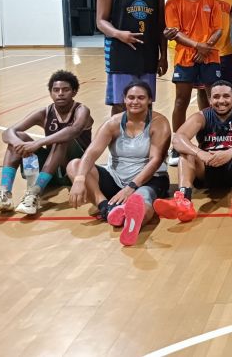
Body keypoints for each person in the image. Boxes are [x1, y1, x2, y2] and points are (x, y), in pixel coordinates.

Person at [67, 81, 171, 246]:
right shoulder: (113, 123)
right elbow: (92, 152)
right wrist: (79, 179)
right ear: (124, 99)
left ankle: (133, 221)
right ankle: (106, 209)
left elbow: (155, 160)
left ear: (150, 100)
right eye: (131, 97)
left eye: (141, 98)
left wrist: (131, 187)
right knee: (74, 165)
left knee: (142, 200)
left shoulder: (159, 123)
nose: (135, 102)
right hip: (115, 179)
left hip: (148, 179)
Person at [153, 80, 232, 221]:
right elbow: (178, 139)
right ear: (210, 99)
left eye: (226, 96)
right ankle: (183, 200)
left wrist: (230, 152)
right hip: (207, 168)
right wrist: (200, 153)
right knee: (186, 153)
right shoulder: (202, 116)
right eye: (216, 97)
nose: (221, 101)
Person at [0, 70, 93, 215]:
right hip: (51, 170)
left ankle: (34, 194)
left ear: (74, 92)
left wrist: (38, 143)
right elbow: (8, 132)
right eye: (56, 90)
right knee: (19, 136)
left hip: (76, 170)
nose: (60, 93)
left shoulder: (81, 110)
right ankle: (5, 193)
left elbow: (73, 130)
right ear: (50, 93)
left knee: (62, 139)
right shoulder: (45, 112)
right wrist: (18, 144)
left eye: (65, 90)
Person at [96, 0, 167, 115]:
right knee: (120, 103)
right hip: (120, 54)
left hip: (148, 55)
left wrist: (163, 56)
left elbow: (160, 26)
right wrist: (118, 33)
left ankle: (145, 141)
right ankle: (117, 142)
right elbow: (100, 21)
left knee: (146, 103)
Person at [165, 0, 222, 164]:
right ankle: (177, 145)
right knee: (181, 101)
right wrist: (199, 46)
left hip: (210, 56)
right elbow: (175, 33)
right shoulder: (173, 4)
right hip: (185, 58)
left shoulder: (211, 2)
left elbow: (218, 29)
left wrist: (205, 47)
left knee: (212, 101)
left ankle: (211, 141)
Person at [198, 0, 232, 109]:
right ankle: (205, 126)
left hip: (225, 52)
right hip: (203, 51)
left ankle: (230, 128)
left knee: (230, 91)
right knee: (203, 92)